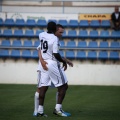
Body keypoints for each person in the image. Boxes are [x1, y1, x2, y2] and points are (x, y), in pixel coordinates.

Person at [33, 22, 73, 117]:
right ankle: (57, 109)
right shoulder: (54, 39)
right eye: (60, 32)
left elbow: (41, 48)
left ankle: (40, 111)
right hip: (51, 64)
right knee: (63, 86)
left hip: (45, 64)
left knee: (43, 87)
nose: (62, 34)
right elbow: (54, 54)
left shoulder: (41, 35)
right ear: (55, 30)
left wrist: (65, 60)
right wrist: (63, 62)